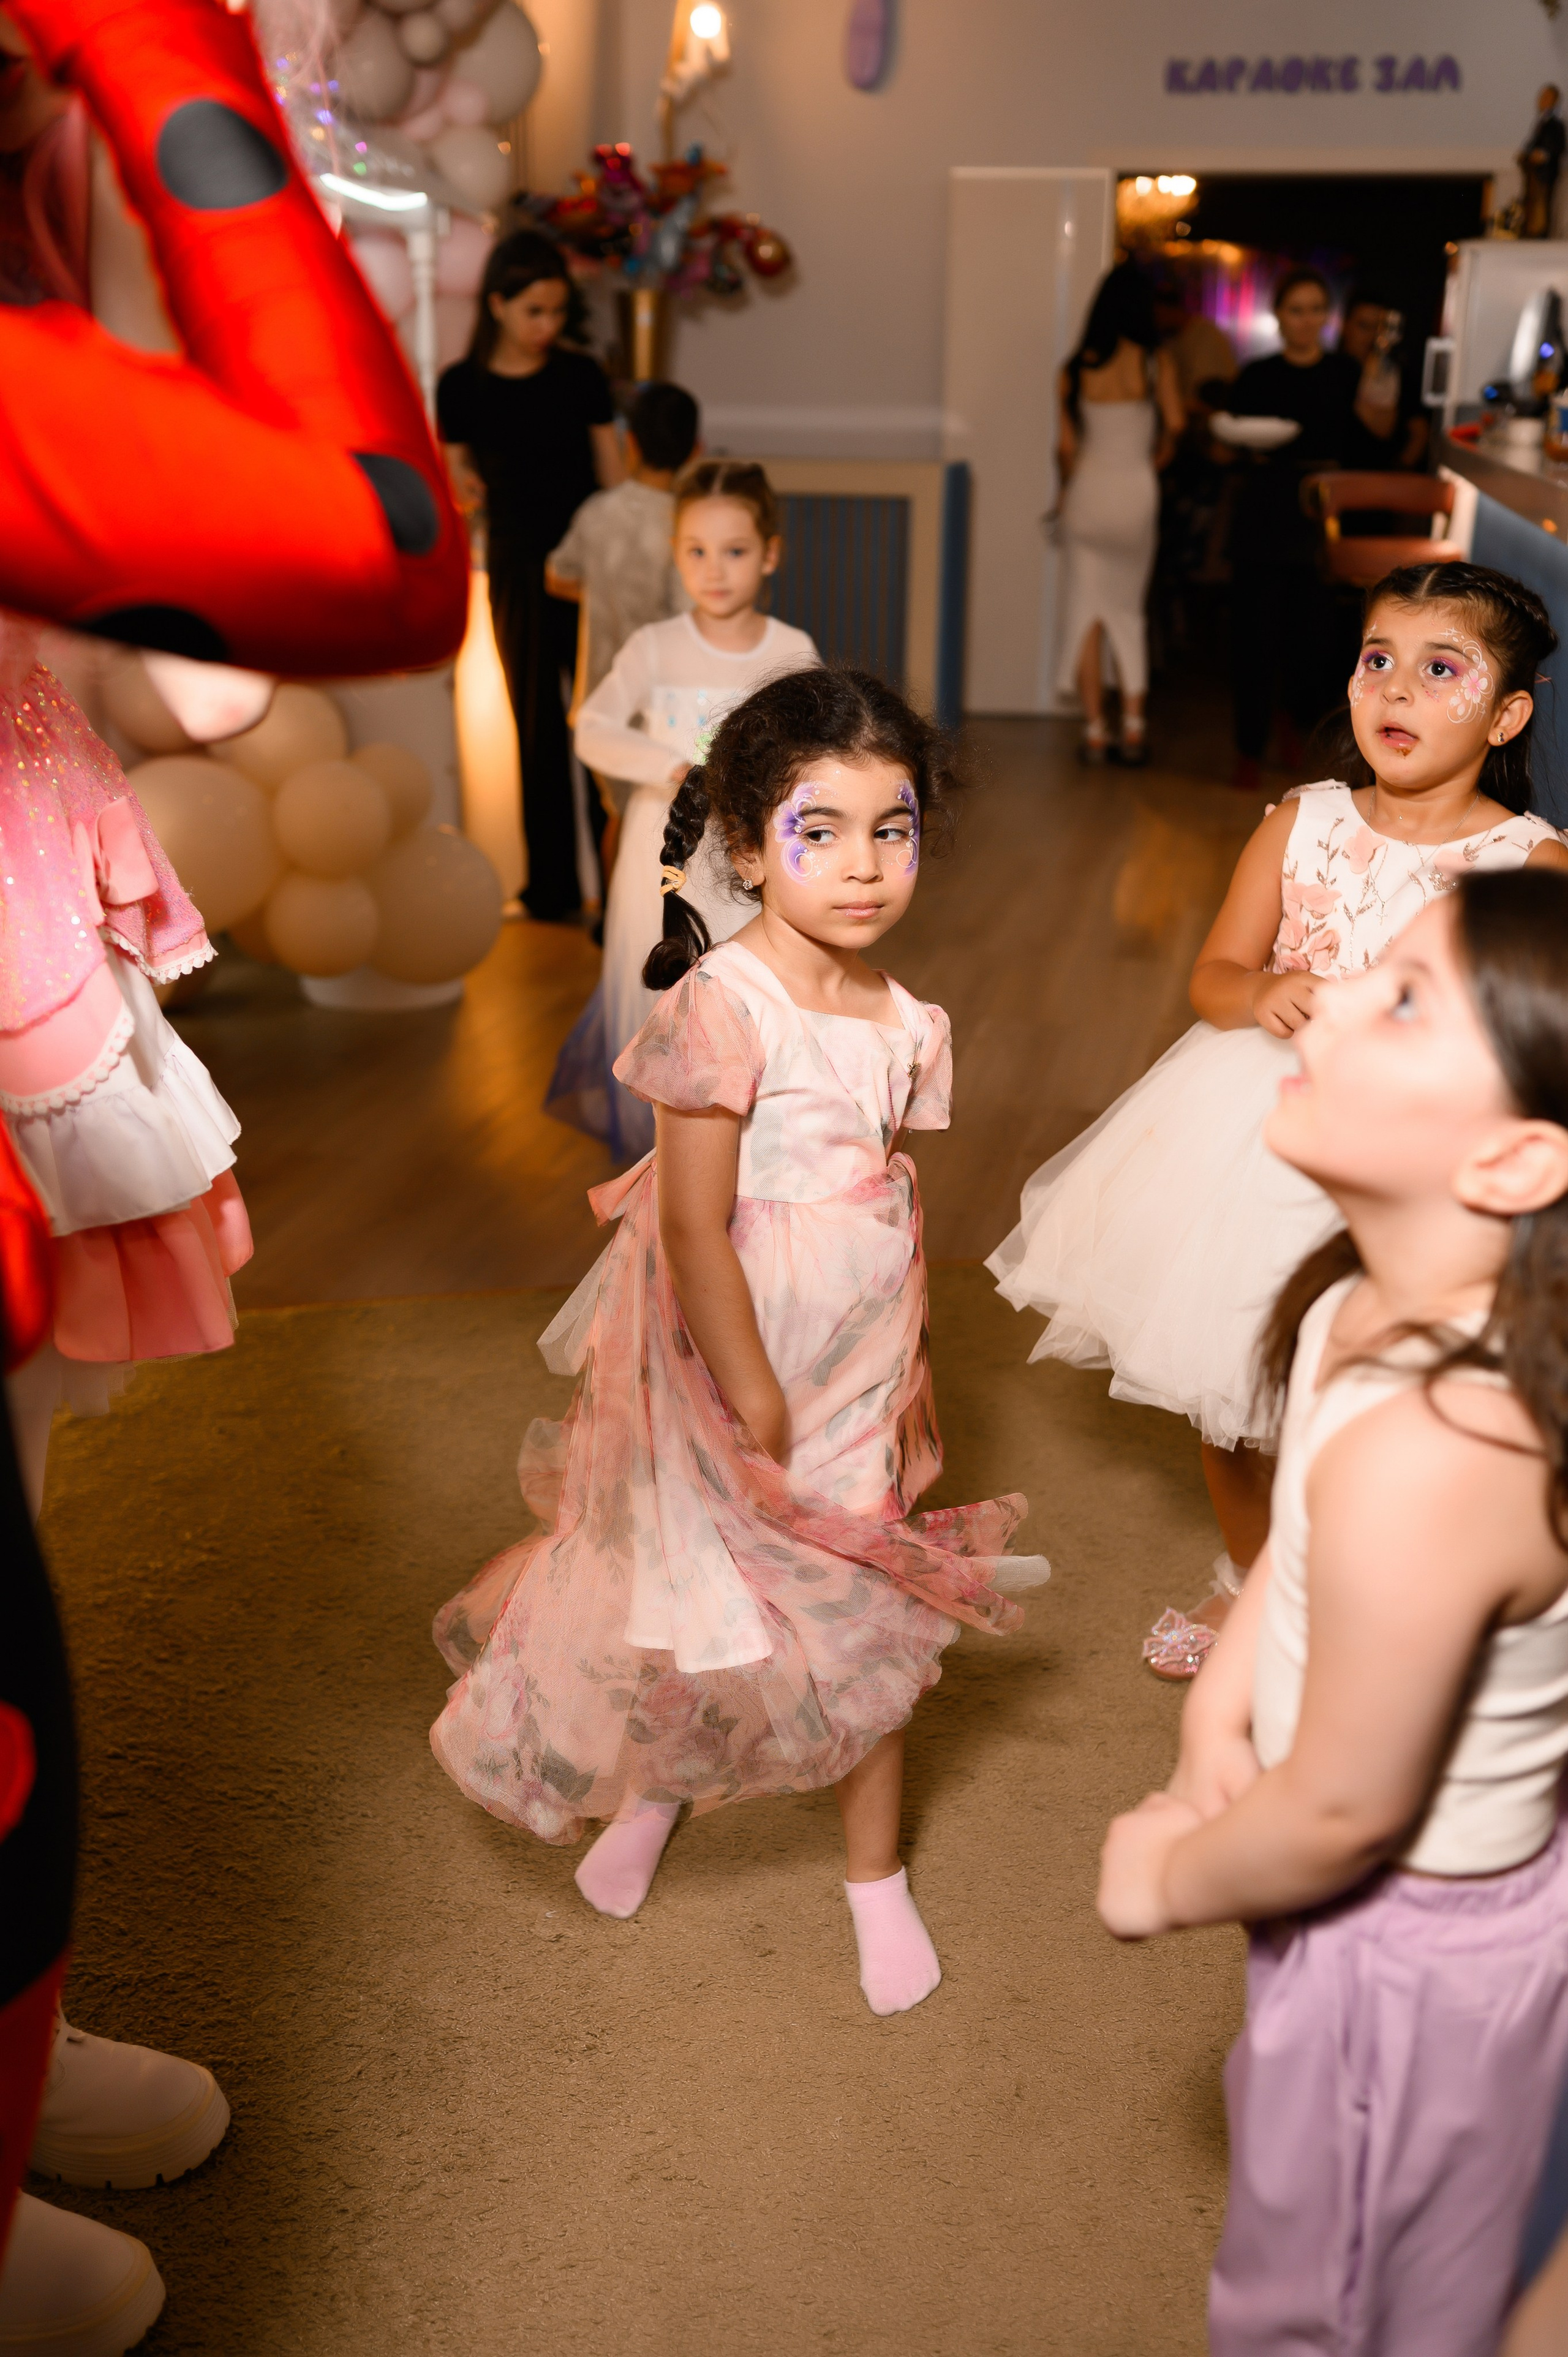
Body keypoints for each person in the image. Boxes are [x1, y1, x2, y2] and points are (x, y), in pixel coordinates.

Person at [432, 668, 1048, 2015]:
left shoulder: (907, 1023)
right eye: (817, 831)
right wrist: (750, 1389)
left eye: (892, 828)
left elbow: (879, 1211)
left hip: (857, 1357)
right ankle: (657, 1794)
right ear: (748, 839)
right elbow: (700, 1226)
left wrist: (904, 1388)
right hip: (726, 1360)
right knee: (702, 1603)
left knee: (862, 1610)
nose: (864, 865)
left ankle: (872, 1876)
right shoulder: (723, 1001)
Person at [1098, 865, 1568, 2357]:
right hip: (1344, 1903)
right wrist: (1208, 1712)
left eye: (1407, 992)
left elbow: (1342, 1806)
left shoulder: (1443, 1450)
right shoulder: (1347, 1302)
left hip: (1416, 1948)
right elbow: (1290, 1539)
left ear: (1508, 1163)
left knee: (1331, 2301)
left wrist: (1163, 1874)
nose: (1340, 976)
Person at [987, 561, 1568, 1676]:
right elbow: (1215, 971)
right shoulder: (1301, 823)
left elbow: (1536, 1042)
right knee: (1230, 1383)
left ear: (1506, 713)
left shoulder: (1528, 861)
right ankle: (1250, 1579)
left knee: (1380, 1400)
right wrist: (1255, 994)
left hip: (1419, 1161)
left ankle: (1363, 1593)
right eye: (1376, 661)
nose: (1394, 692)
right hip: (1261, 1132)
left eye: (1439, 670)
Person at [546, 461, 818, 1160]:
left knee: (748, 989)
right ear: (676, 553)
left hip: (747, 856)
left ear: (770, 554)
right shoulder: (655, 646)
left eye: (734, 551)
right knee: (668, 992)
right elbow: (594, 724)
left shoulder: (791, 652)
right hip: (661, 853)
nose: (715, 569)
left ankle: (751, 1152)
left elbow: (816, 755)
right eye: (696, 551)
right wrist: (670, 766)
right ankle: (666, 1168)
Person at [438, 232, 622, 925]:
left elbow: (611, 478)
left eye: (556, 312)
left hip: (585, 569)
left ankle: (616, 883)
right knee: (535, 726)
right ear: (498, 305)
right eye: (534, 312)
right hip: (517, 567)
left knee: (598, 720)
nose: (548, 327)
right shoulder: (463, 386)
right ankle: (552, 890)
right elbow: (460, 482)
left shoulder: (579, 376)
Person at [1224, 266, 1402, 793]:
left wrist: (1380, 364)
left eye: (1315, 310)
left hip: (1321, 515)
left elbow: (1382, 429)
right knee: (1253, 639)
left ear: (1327, 318)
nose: (1306, 321)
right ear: (1278, 317)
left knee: (1314, 641)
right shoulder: (1256, 375)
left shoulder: (1347, 372)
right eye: (1295, 310)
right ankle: (1247, 748)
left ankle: (1294, 725)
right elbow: (1229, 444)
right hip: (1264, 510)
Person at [545, 378, 700, 877]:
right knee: (654, 820)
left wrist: (599, 592)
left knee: (622, 813)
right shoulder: (685, 523)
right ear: (694, 449)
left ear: (629, 441)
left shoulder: (598, 512)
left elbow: (557, 574)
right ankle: (644, 926)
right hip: (665, 701)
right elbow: (688, 612)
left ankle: (616, 924)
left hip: (603, 692)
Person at [1055, 263, 1185, 767]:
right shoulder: (1155, 361)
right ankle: (1134, 729)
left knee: (1086, 614)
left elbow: (1066, 448)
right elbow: (1175, 425)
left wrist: (1069, 490)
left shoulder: (1073, 368)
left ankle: (1094, 732)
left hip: (1087, 492)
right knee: (1127, 612)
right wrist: (1151, 462)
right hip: (1134, 491)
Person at [1521, 83, 1566, 239]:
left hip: (1546, 175)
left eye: (1547, 97)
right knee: (1532, 208)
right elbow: (1533, 144)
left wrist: (1543, 155)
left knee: (1543, 210)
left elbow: (1558, 146)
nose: (1542, 101)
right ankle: (1532, 232)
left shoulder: (1556, 124)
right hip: (1535, 175)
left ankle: (1541, 234)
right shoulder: (1541, 123)